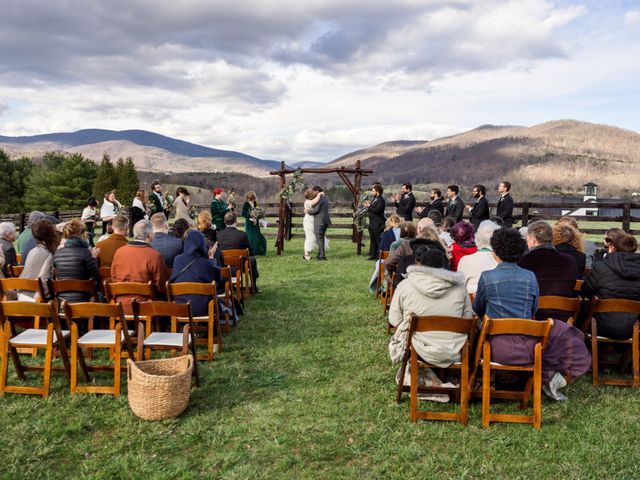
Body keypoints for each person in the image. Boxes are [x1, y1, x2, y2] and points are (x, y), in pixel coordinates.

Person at [473, 228, 590, 401]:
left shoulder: (487, 277)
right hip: (529, 347)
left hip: (494, 349)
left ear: (495, 253)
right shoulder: (530, 277)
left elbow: (478, 309)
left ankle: (476, 380)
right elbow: (533, 310)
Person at [388, 245, 473, 372]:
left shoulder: (405, 285)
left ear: (420, 265)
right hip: (454, 348)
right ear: (444, 266)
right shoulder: (460, 288)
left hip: (417, 347)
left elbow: (394, 320)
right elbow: (468, 319)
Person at [582, 234, 640, 339]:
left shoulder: (601, 267)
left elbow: (586, 291)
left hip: (600, 325)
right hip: (633, 328)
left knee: (581, 308)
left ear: (612, 247)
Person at [111, 219, 169, 314]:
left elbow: (114, 278)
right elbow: (161, 285)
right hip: (145, 306)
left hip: (120, 304)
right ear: (149, 235)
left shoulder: (119, 252)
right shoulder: (154, 255)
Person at [170, 230, 223, 316]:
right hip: (203, 308)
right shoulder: (206, 263)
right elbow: (218, 280)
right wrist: (211, 259)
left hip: (180, 306)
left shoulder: (177, 260)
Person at [519, 221, 577, 299]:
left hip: (533, 309)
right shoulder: (570, 260)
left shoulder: (524, 260)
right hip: (563, 309)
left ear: (533, 240)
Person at [385, 219, 448, 287]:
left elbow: (389, 262)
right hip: (435, 287)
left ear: (419, 230)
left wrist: (394, 275)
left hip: (408, 285)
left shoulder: (407, 245)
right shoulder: (442, 247)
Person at [52, 219, 99, 302]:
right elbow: (95, 275)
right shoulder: (85, 253)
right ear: (80, 234)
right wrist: (93, 258)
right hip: (83, 299)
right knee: (102, 297)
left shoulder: (57, 254)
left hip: (62, 300)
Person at [19, 220, 61, 300]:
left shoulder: (32, 251)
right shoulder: (49, 255)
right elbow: (45, 283)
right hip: (36, 299)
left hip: (22, 295)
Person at [217, 212, 260, 289]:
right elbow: (249, 250)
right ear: (236, 222)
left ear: (224, 222)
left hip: (224, 264)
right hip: (240, 263)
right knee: (252, 260)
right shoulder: (242, 235)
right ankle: (254, 286)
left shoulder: (218, 235)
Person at [457, 220, 500, 294]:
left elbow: (459, 289)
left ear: (477, 237)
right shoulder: (502, 261)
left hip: (471, 302)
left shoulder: (465, 260)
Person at [306, 186, 332, 261]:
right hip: (325, 220)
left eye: (314, 191)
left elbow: (316, 210)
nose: (313, 193)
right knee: (321, 238)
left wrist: (308, 211)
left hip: (320, 221)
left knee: (319, 238)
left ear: (317, 191)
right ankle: (320, 253)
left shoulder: (320, 199)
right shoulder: (326, 198)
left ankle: (322, 256)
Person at [364, 184, 386, 259]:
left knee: (378, 240)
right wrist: (368, 206)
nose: (372, 192)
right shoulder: (375, 199)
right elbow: (372, 208)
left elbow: (377, 210)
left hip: (378, 223)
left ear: (378, 191)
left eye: (373, 191)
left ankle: (379, 256)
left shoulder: (381, 200)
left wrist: (369, 207)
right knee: (373, 240)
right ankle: (373, 255)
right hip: (372, 223)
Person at [241, 191, 267, 256]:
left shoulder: (255, 203)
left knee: (258, 237)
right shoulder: (246, 204)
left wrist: (259, 217)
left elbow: (258, 211)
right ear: (249, 198)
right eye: (253, 198)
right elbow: (244, 214)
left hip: (256, 223)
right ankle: (251, 252)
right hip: (249, 224)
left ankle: (260, 251)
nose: (254, 200)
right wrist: (251, 218)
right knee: (251, 238)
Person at [303, 188, 324, 260]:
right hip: (309, 221)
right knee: (310, 237)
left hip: (311, 221)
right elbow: (315, 201)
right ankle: (306, 255)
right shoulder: (308, 202)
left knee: (313, 237)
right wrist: (319, 194)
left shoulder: (309, 201)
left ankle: (309, 254)